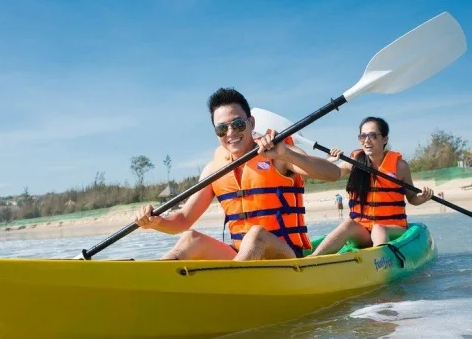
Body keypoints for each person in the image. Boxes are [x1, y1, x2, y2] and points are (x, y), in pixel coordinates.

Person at [134, 88, 341, 261]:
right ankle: (155, 280)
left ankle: (235, 285)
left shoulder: (278, 152)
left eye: (238, 124)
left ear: (251, 123)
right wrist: (156, 222)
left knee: (256, 234)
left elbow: (334, 173)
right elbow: (183, 220)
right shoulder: (213, 169)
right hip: (241, 255)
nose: (231, 133)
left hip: (284, 255)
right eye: (221, 129)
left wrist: (286, 153)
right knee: (190, 239)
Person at [309, 116, 433, 256]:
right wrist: (330, 161)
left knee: (378, 229)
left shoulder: (400, 166)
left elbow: (412, 198)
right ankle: (312, 259)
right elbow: (331, 173)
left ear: (385, 139)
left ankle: (378, 261)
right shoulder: (354, 161)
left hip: (392, 229)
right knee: (348, 224)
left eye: (372, 135)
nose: (366, 140)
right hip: (362, 231)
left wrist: (422, 197)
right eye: (362, 136)